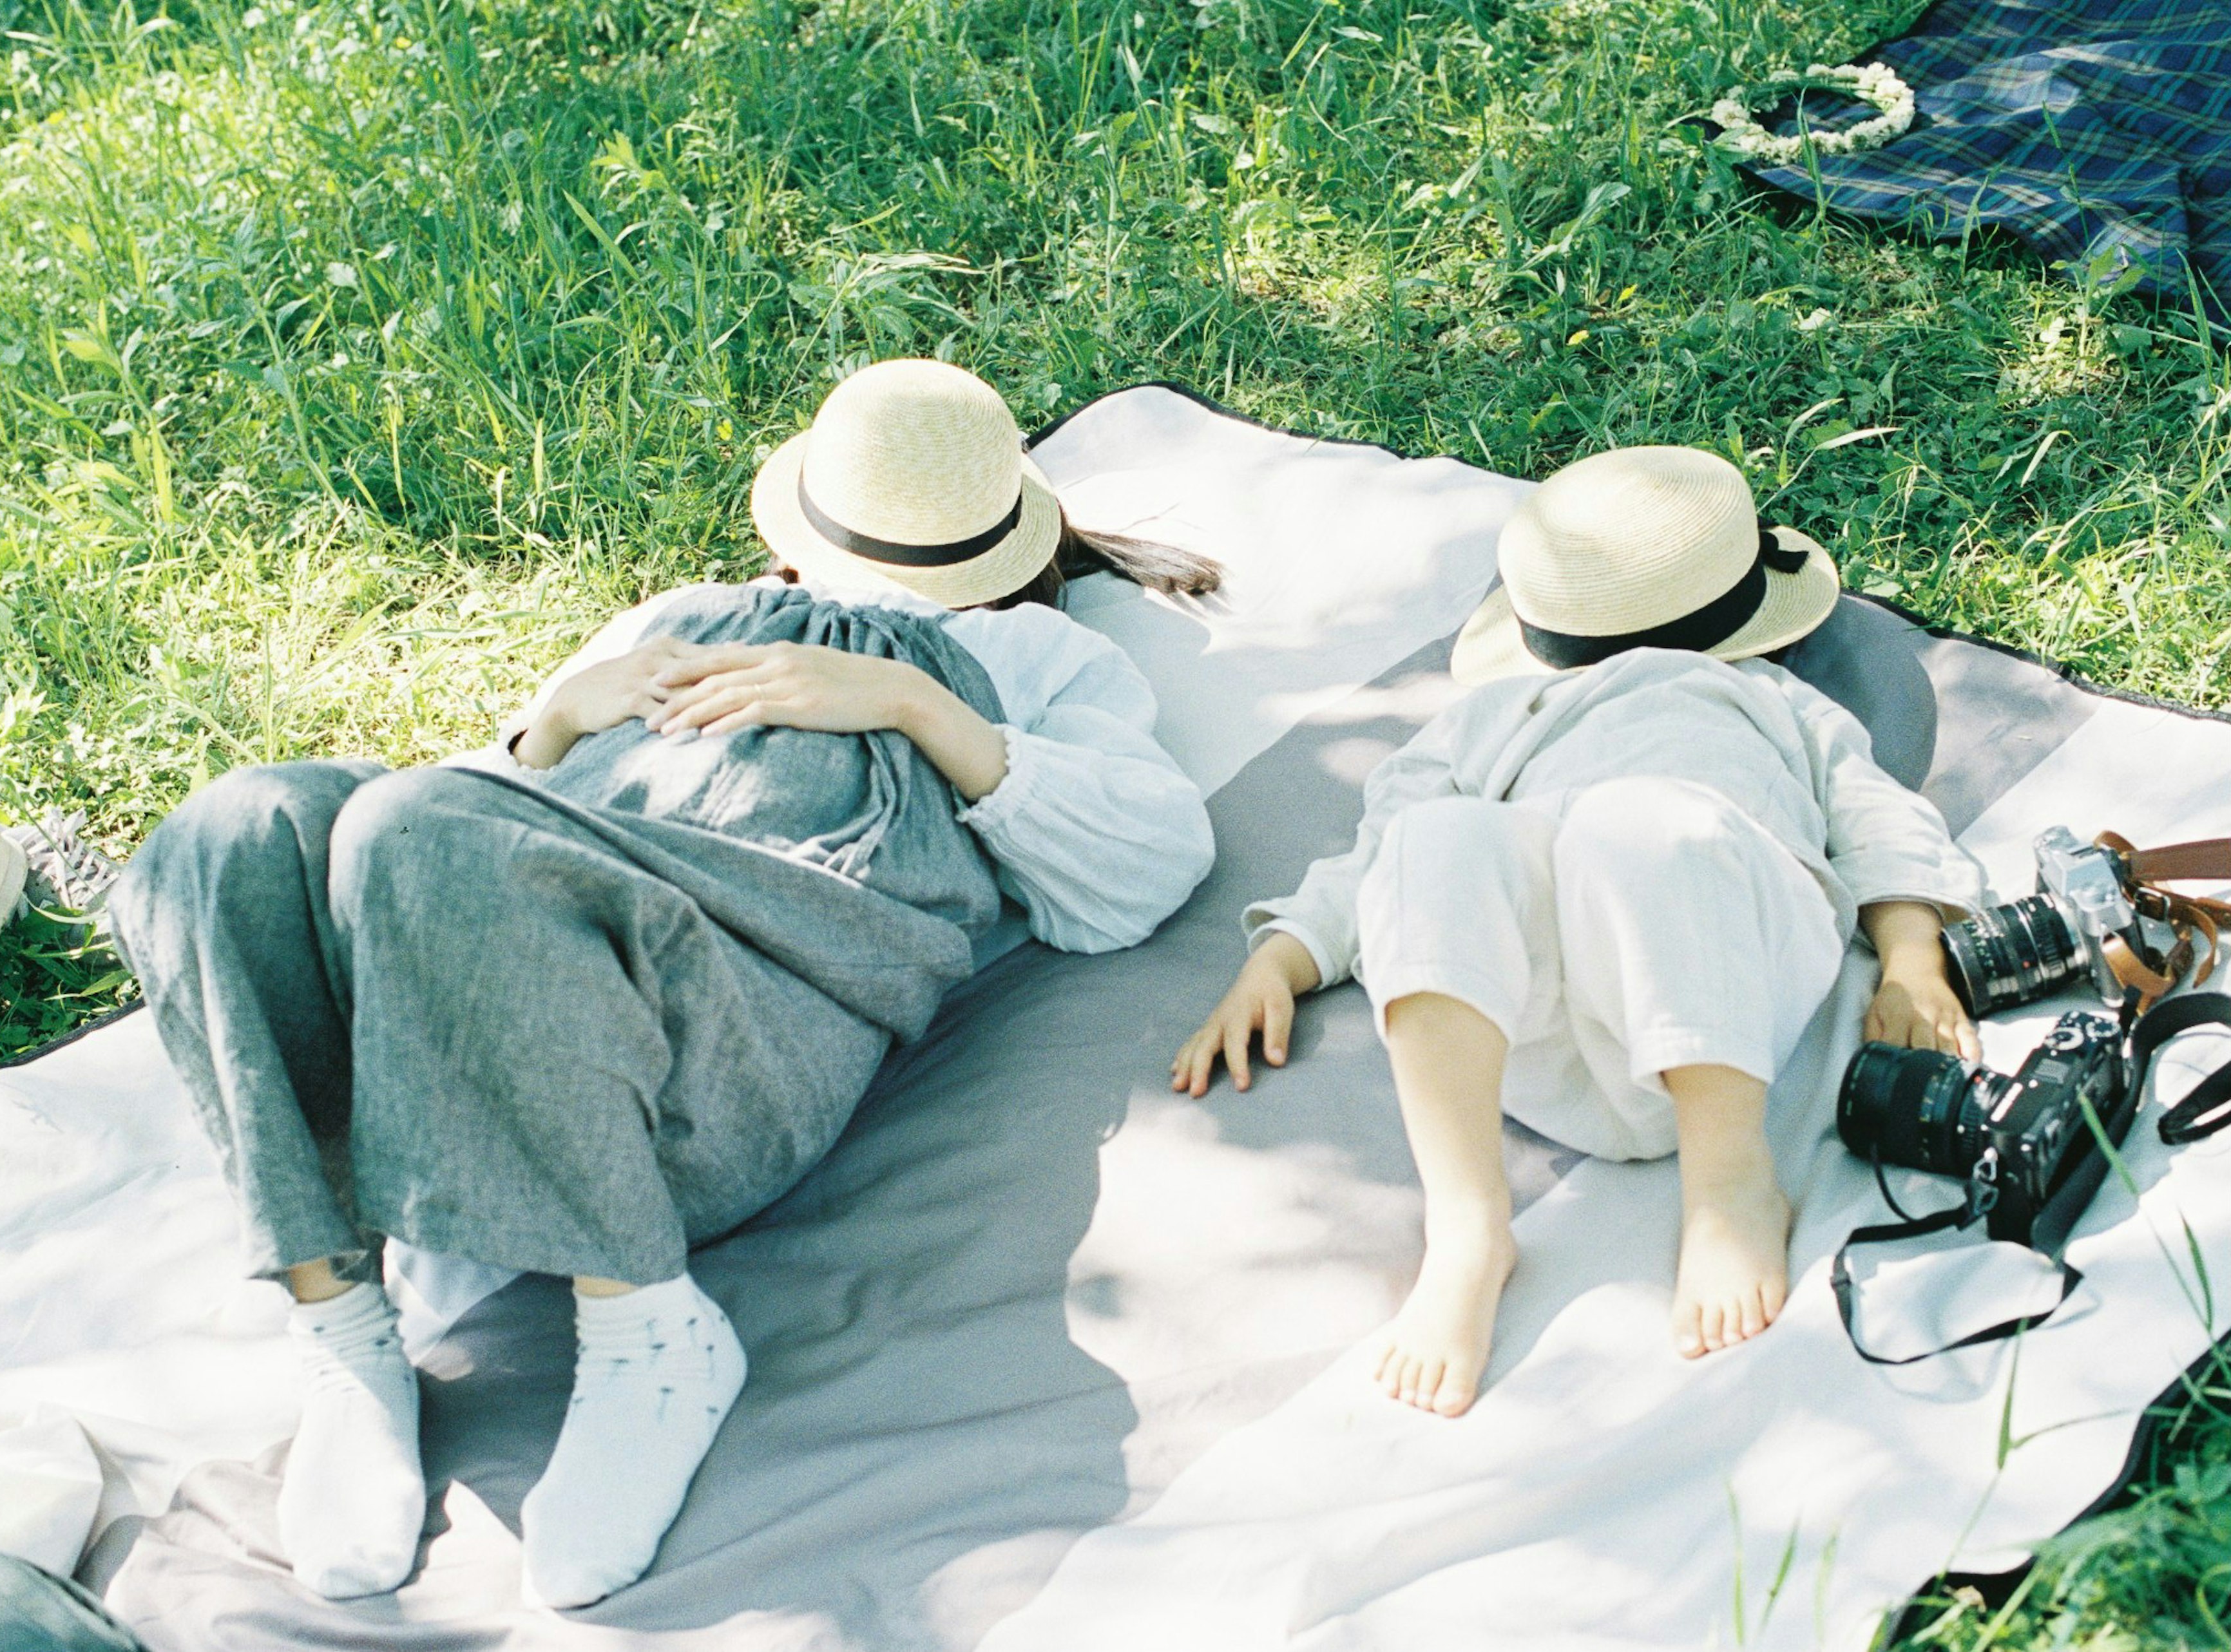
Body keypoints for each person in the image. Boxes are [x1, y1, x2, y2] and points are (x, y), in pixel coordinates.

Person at [110, 359, 1218, 1607]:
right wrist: (554, 726)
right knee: (232, 831)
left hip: (723, 1029)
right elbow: (457, 835)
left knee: (415, 823)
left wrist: (906, 702)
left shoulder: (1030, 658)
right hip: (507, 992)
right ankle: (346, 1333)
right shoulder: (689, 610)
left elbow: (1141, 870)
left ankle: (650, 1333)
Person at [1171, 445, 1984, 1418]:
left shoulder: (1780, 703)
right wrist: (1282, 957)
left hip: (1722, 985)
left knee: (1636, 824)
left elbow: (1880, 821)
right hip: (1551, 1027)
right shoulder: (1489, 717)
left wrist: (1911, 957)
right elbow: (1380, 859)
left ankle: (1730, 1183)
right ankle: (1470, 1223)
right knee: (1438, 838)